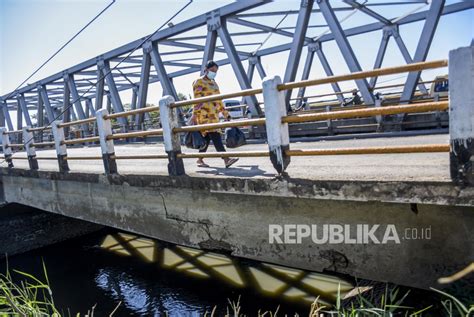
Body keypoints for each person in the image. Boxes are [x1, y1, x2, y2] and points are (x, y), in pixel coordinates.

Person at [191, 60, 239, 168]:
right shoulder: (199, 82)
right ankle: (226, 159)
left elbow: (218, 100)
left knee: (207, 138)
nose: (214, 72)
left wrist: (225, 113)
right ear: (206, 69)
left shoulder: (214, 83)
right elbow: (197, 100)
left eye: (215, 71)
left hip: (214, 115)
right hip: (204, 115)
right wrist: (195, 115)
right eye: (212, 70)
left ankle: (199, 159)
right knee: (215, 135)